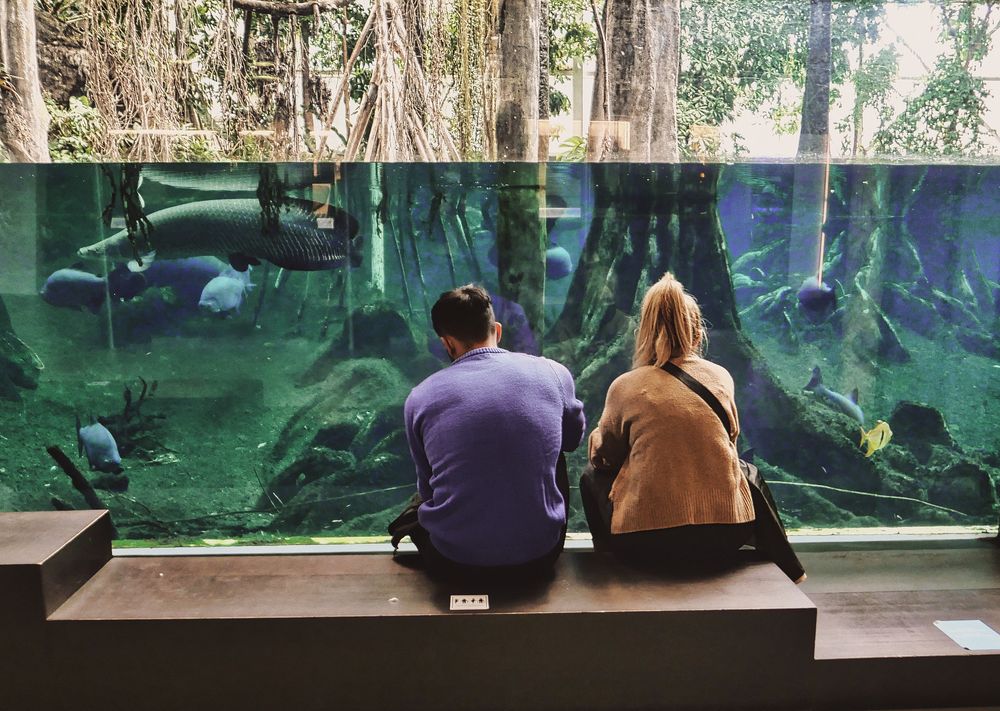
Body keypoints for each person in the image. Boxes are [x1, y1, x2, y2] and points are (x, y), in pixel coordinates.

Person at [580, 273, 805, 582]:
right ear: (697, 334)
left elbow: (602, 455)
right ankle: (788, 567)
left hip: (644, 543)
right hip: (726, 536)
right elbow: (730, 439)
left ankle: (607, 566)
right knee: (746, 470)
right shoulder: (721, 377)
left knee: (590, 476)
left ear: (642, 333)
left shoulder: (625, 387)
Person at [392, 284, 586, 579]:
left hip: (453, 562)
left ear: (448, 344)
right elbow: (573, 439)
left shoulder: (420, 397)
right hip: (540, 555)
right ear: (496, 329)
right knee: (553, 446)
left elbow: (427, 489)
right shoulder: (554, 373)